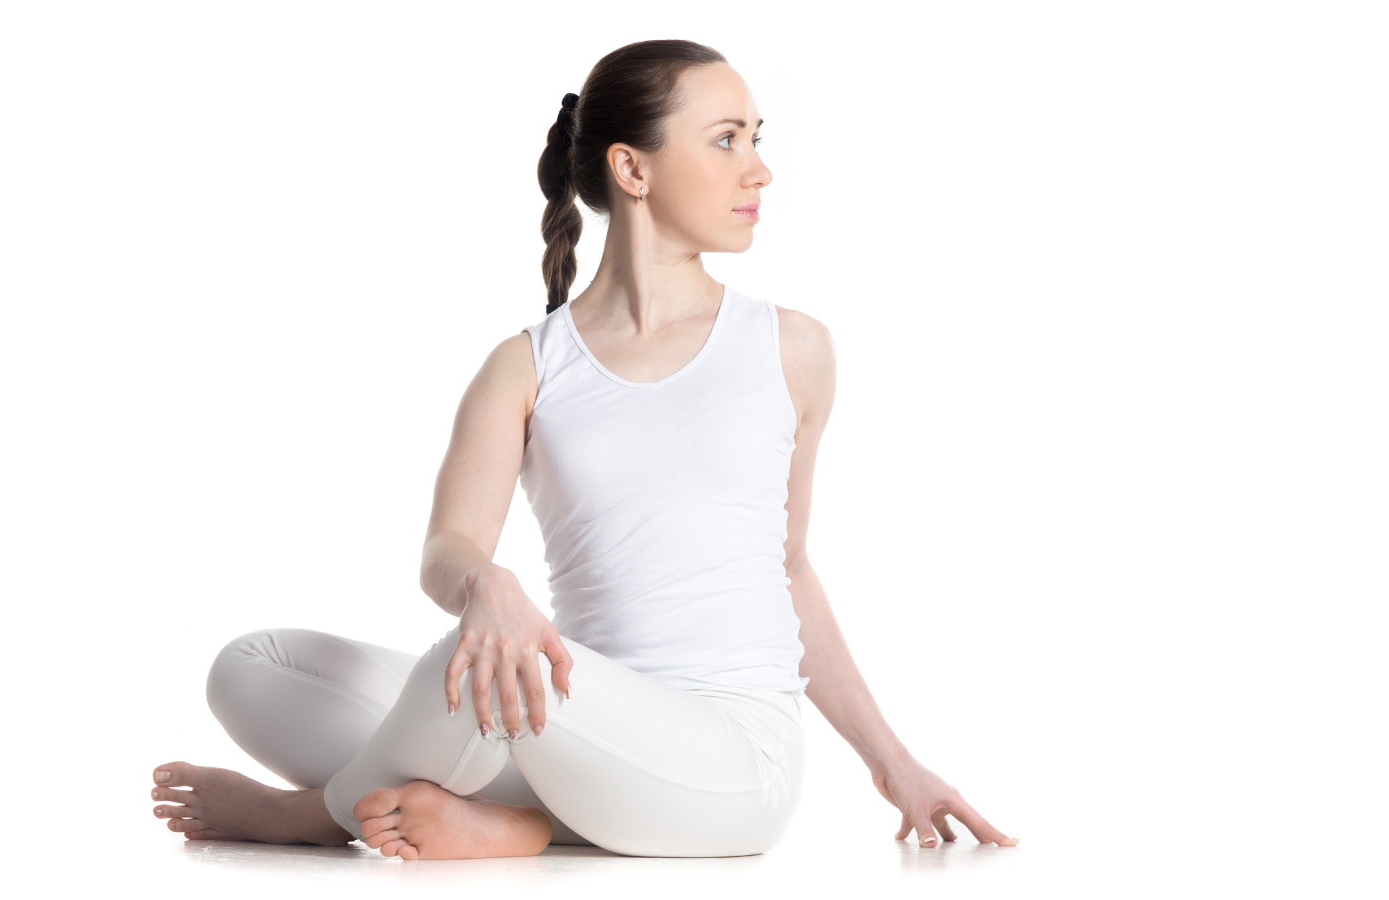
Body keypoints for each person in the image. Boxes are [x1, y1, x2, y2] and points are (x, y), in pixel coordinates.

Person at [147, 38, 1017, 860]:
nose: (760, 169)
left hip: (730, 763)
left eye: (755, 138)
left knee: (473, 661)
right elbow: (449, 551)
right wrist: (487, 582)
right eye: (725, 141)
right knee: (253, 667)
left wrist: (892, 763)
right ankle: (524, 818)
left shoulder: (791, 349)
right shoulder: (527, 366)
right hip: (568, 729)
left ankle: (309, 817)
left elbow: (789, 569)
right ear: (631, 168)